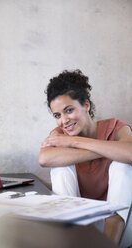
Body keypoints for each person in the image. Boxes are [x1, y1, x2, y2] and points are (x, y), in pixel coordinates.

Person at [39, 69, 132, 244]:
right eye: (57, 115)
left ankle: (109, 243)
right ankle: (70, 239)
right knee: (60, 166)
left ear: (86, 105)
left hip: (121, 221)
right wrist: (108, 149)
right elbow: (44, 159)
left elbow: (130, 154)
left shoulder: (116, 127)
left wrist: (75, 142)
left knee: (122, 163)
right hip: (80, 220)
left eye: (69, 110)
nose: (64, 120)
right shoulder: (59, 133)